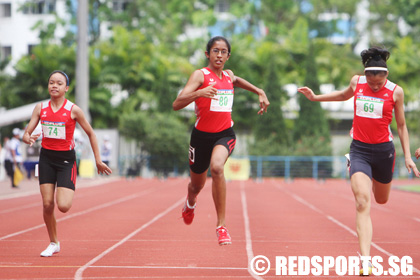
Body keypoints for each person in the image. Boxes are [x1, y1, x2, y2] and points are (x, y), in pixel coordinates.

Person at [298, 47, 420, 275]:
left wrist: (408, 157)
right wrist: (316, 98)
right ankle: (366, 261)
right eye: (370, 82)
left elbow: (402, 126)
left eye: (378, 83)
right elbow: (344, 95)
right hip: (360, 150)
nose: (374, 86)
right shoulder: (357, 82)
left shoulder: (396, 92)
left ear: (386, 74)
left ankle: (372, 177)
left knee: (381, 200)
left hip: (384, 152)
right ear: (365, 76)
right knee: (363, 202)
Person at [173, 36, 270, 246]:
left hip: (224, 134)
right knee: (196, 186)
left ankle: (221, 226)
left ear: (228, 56)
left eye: (223, 51)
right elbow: (177, 103)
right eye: (215, 51)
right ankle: (190, 203)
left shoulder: (228, 76)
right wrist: (200, 92)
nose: (219, 55)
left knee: (217, 168)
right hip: (200, 138)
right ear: (208, 54)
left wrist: (259, 91)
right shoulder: (200, 75)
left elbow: (237, 81)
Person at [22, 70, 112, 257]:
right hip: (46, 158)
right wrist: (27, 138)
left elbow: (91, 134)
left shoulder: (73, 110)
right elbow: (26, 133)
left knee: (63, 206)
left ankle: (67, 186)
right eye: (51, 82)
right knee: (47, 204)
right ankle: (54, 242)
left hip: (65, 161)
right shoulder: (40, 108)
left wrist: (98, 160)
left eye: (59, 83)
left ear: (66, 88)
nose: (54, 86)